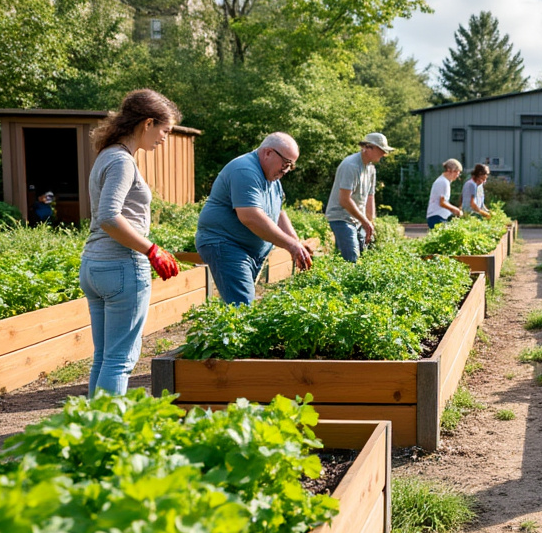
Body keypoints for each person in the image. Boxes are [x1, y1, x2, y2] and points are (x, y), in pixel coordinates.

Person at [81, 89, 181, 396]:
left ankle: (91, 429)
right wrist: (151, 249)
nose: (164, 138)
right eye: (164, 130)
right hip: (121, 266)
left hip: (94, 265)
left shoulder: (106, 156)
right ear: (147, 123)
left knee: (104, 357)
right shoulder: (122, 161)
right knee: (119, 360)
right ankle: (109, 435)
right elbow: (109, 217)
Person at [195, 132, 312, 305]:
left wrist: (296, 243)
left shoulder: (273, 180)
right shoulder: (245, 170)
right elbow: (250, 216)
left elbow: (278, 214)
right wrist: (290, 245)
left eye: (291, 166)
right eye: (286, 163)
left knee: (239, 307)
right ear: (268, 153)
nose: (286, 170)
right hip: (227, 244)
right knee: (242, 306)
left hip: (247, 250)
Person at [326, 132, 391, 263]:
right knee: (351, 259)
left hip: (358, 220)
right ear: (368, 148)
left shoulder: (371, 168)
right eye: (382, 150)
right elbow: (344, 200)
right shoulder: (351, 166)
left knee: (363, 257)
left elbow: (370, 197)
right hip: (341, 218)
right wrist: (365, 221)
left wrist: (370, 223)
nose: (385, 154)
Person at [427, 159, 464, 228]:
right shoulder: (443, 182)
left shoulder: (444, 181)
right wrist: (456, 210)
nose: (457, 176)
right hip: (437, 217)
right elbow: (442, 203)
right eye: (456, 173)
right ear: (449, 170)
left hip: (438, 216)